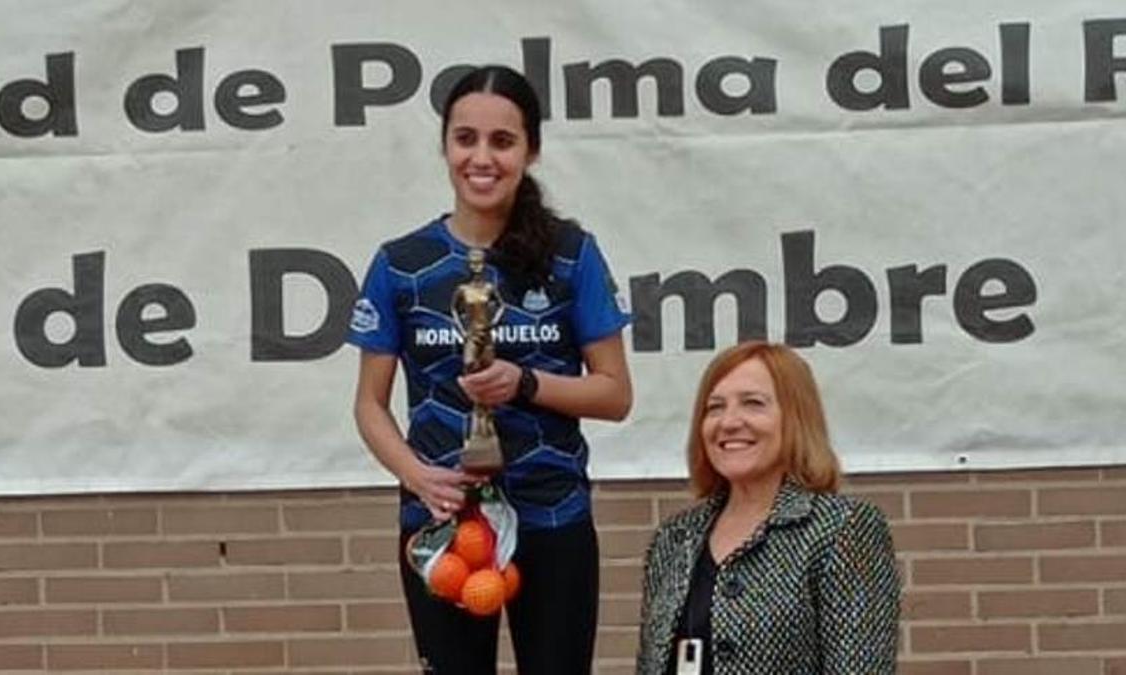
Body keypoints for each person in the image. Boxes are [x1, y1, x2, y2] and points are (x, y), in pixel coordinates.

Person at [347, 64, 633, 675]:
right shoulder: (402, 263)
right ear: (445, 145)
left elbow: (614, 394)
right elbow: (369, 404)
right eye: (465, 138)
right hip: (444, 523)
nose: (482, 158)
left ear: (531, 149)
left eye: (503, 141)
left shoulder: (571, 254)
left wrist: (525, 383)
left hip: (551, 513)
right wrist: (418, 477)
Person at [636, 341, 899, 675]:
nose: (728, 422)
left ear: (795, 418)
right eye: (715, 407)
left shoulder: (844, 528)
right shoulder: (672, 539)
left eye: (753, 404)